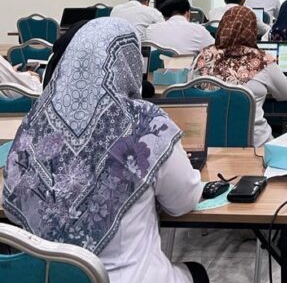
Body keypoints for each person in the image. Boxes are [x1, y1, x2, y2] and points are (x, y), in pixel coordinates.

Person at [2, 18, 207, 283]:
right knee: (197, 272)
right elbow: (183, 202)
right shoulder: (145, 123)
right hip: (131, 278)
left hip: (51, 277)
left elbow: (12, 205)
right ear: (129, 63)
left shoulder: (35, 122)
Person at [194, 6, 287, 147]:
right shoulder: (262, 60)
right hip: (254, 143)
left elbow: (190, 92)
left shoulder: (204, 56)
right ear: (252, 30)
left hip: (209, 141)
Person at [144, 0, 214, 54]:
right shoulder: (198, 30)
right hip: (186, 67)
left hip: (155, 67)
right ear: (188, 13)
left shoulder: (150, 29)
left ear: (165, 16)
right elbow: (215, 51)